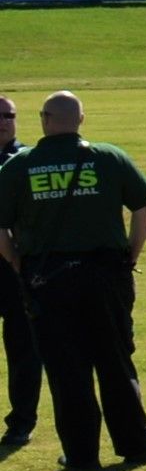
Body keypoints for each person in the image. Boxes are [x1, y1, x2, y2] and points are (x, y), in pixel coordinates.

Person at [0, 89, 146, 468]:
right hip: (106, 272)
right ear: (82, 120)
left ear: (44, 120)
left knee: (66, 368)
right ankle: (136, 445)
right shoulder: (108, 157)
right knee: (116, 361)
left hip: (49, 279)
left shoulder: (20, 166)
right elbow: (144, 207)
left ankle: (80, 454)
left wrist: (17, 265)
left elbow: (0, 228)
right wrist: (130, 254)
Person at [0, 94, 36, 443]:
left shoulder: (28, 160)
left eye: (8, 115)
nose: (3, 121)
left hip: (14, 266)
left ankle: (21, 422)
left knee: (23, 347)